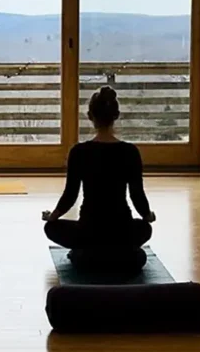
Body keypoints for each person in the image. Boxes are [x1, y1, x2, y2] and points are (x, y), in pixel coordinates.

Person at [42, 86, 155, 250]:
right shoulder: (130, 151)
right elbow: (137, 194)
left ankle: (87, 253)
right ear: (116, 116)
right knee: (145, 229)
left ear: (90, 116)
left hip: (88, 230)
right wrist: (147, 215)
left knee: (51, 228)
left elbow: (70, 195)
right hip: (121, 230)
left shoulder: (79, 152)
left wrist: (53, 216)